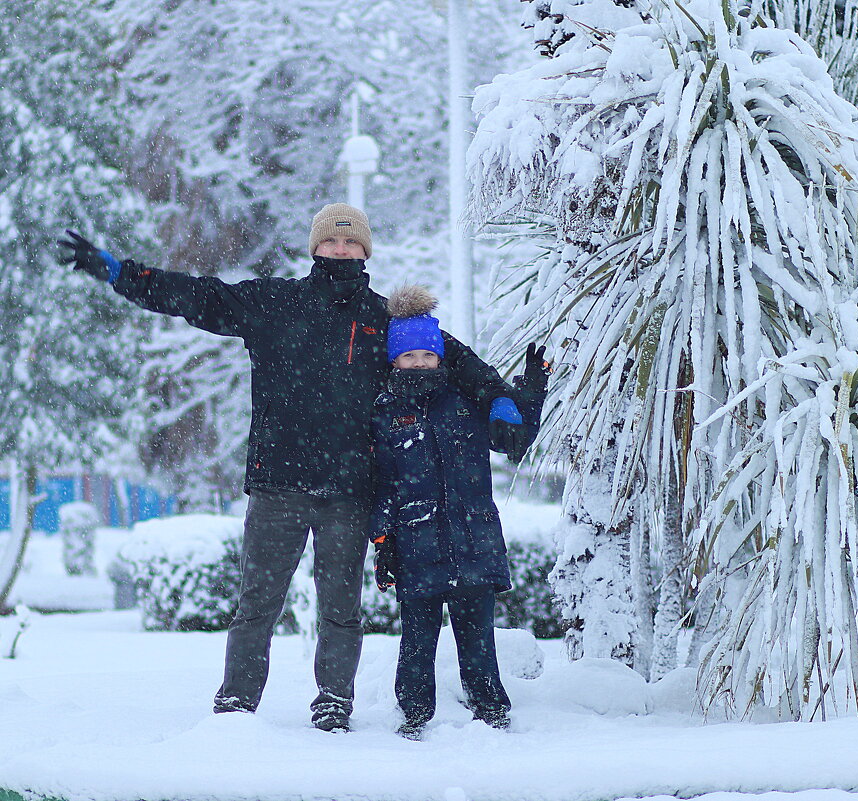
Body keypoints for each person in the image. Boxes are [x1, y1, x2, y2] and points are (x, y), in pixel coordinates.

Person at [57, 204, 531, 733]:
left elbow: (456, 362)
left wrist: (501, 398)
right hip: (277, 485)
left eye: (352, 243)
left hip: (350, 491)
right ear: (315, 248)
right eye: (332, 242)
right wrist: (124, 273)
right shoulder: (274, 304)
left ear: (366, 251)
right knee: (257, 603)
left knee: (341, 609)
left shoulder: (386, 321)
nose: (342, 250)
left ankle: (334, 700)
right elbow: (199, 297)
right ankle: (236, 703)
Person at [369, 285, 547, 740]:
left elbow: (514, 440)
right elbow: (381, 485)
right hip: (416, 544)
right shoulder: (384, 413)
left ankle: (492, 712)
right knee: (417, 642)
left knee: (478, 641)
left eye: (427, 356)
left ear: (439, 358)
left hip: (473, 540)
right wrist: (383, 541)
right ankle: (412, 717)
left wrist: (531, 390)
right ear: (394, 361)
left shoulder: (468, 402)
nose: (419, 363)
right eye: (408, 357)